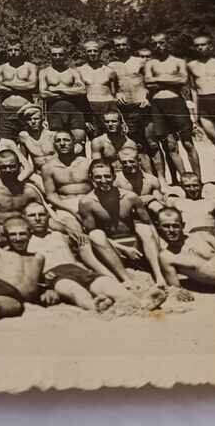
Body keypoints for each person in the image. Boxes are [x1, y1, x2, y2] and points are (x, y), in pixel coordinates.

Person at [24, 203, 163, 312]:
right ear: (24, 218)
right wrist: (44, 289)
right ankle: (95, 306)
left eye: (41, 214)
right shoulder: (24, 241)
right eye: (32, 215)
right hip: (54, 276)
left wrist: (123, 248)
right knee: (75, 291)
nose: (37, 218)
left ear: (48, 217)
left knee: (108, 285)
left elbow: (89, 239)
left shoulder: (61, 235)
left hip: (79, 270)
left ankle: (141, 304)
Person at [77, 161, 173, 287]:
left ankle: (159, 276)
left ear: (114, 176)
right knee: (96, 235)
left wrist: (157, 245)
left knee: (144, 228)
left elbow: (149, 223)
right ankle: (127, 279)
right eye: (98, 177)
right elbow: (91, 233)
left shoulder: (130, 197)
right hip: (110, 247)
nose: (103, 181)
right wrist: (125, 249)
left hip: (134, 242)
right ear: (91, 178)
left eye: (107, 176)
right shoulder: (86, 202)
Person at [143, 32, 202, 183]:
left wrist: (158, 80)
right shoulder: (150, 63)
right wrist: (171, 80)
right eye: (155, 44)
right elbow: (148, 82)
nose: (158, 46)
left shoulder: (178, 61)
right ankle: (184, 179)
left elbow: (183, 80)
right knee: (170, 145)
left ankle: (198, 179)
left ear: (167, 43)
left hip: (176, 102)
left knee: (187, 143)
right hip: (157, 104)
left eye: (161, 43)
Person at [0, 149, 50, 245]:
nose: (8, 170)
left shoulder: (29, 191)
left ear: (20, 166)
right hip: (1, 242)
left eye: (12, 166)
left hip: (27, 242)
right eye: (4, 167)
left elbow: (45, 219)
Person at [107, 37, 160, 174]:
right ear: (114, 47)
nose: (121, 47)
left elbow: (152, 83)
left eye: (123, 44)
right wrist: (117, 95)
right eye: (118, 45)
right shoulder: (111, 65)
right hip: (127, 109)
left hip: (143, 105)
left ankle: (162, 178)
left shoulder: (140, 62)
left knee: (153, 144)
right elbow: (111, 89)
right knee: (138, 145)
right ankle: (149, 176)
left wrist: (147, 96)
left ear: (129, 45)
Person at [38, 46, 89, 148]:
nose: (58, 57)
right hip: (54, 110)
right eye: (54, 55)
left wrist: (57, 90)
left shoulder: (73, 72)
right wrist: (71, 92)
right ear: (50, 56)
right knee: (56, 142)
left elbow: (82, 91)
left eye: (60, 54)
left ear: (65, 56)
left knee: (79, 141)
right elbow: (43, 94)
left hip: (74, 110)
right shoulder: (44, 72)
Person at [38, 132, 93, 226]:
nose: (62, 143)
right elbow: (51, 195)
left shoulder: (87, 163)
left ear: (74, 142)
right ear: (54, 145)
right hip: (65, 205)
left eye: (66, 140)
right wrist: (72, 210)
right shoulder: (48, 168)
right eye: (58, 141)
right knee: (73, 228)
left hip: (89, 201)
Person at [0, 41, 38, 139]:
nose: (13, 52)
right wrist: (23, 87)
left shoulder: (31, 67)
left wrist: (7, 84)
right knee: (5, 140)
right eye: (10, 50)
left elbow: (32, 85)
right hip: (6, 110)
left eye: (16, 50)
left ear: (22, 51)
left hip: (26, 109)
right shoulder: (0, 68)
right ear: (6, 51)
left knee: (28, 139)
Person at [76, 39, 120, 136]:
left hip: (108, 104)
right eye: (89, 51)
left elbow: (115, 91)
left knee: (112, 134)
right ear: (85, 53)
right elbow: (78, 94)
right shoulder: (79, 71)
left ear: (99, 52)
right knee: (93, 134)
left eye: (95, 51)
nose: (92, 53)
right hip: (89, 105)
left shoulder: (109, 71)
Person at [113, 144, 165, 214]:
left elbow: (160, 200)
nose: (128, 165)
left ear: (139, 160)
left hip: (147, 212)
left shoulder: (151, 180)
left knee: (155, 205)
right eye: (124, 162)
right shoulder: (116, 180)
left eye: (131, 161)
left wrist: (152, 197)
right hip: (126, 213)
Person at [13, 105, 57, 171]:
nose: (33, 122)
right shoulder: (24, 137)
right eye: (29, 119)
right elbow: (24, 161)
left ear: (42, 119)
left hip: (56, 171)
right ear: (25, 122)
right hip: (38, 173)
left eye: (36, 119)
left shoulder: (52, 135)